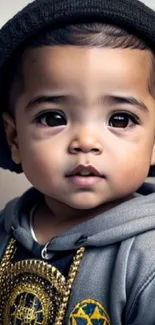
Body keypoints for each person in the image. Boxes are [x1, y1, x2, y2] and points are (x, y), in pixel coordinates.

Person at [0, 0, 155, 324]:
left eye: (121, 119)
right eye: (53, 117)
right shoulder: (6, 230)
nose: (85, 142)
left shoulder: (147, 260)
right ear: (14, 138)